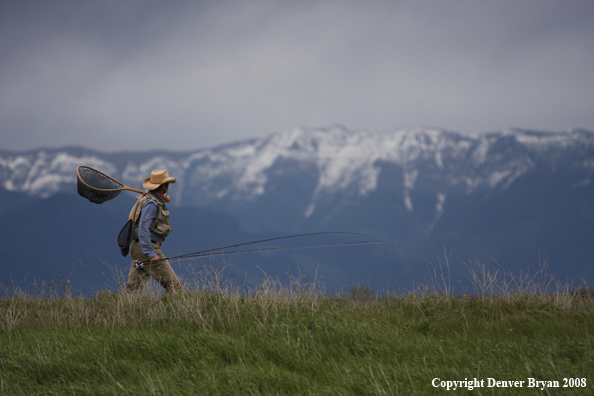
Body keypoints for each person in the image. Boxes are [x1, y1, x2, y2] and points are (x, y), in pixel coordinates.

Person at [125, 169, 182, 294]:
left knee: (132, 291)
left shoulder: (148, 198)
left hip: (139, 250)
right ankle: (173, 312)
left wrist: (162, 197)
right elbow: (144, 229)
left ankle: (123, 311)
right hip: (147, 249)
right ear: (164, 186)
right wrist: (151, 253)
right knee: (174, 285)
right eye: (167, 185)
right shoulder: (152, 204)